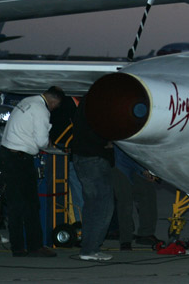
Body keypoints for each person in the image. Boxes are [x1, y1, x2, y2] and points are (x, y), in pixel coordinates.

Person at [0, 86, 64, 258]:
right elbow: (42, 142)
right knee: (31, 204)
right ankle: (35, 246)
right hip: (20, 159)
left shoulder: (27, 100)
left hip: (7, 154)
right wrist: (49, 144)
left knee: (15, 205)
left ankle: (18, 247)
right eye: (56, 106)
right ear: (54, 102)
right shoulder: (41, 110)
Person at [70, 99, 115, 261]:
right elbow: (101, 131)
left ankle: (88, 247)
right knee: (103, 206)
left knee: (91, 205)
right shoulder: (98, 105)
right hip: (95, 157)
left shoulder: (85, 105)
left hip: (81, 157)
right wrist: (108, 142)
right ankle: (91, 249)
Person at [112, 145, 160, 250]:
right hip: (121, 160)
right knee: (125, 202)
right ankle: (125, 239)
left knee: (148, 196)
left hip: (138, 159)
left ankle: (146, 234)